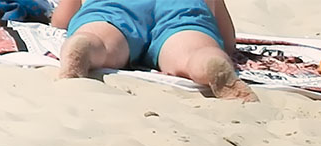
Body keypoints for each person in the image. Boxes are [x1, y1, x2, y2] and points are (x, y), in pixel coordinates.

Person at [51, 0, 258, 101]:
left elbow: (62, 20)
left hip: (118, 5)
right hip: (181, 5)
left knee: (104, 35)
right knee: (191, 47)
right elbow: (228, 40)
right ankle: (206, 61)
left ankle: (88, 45)